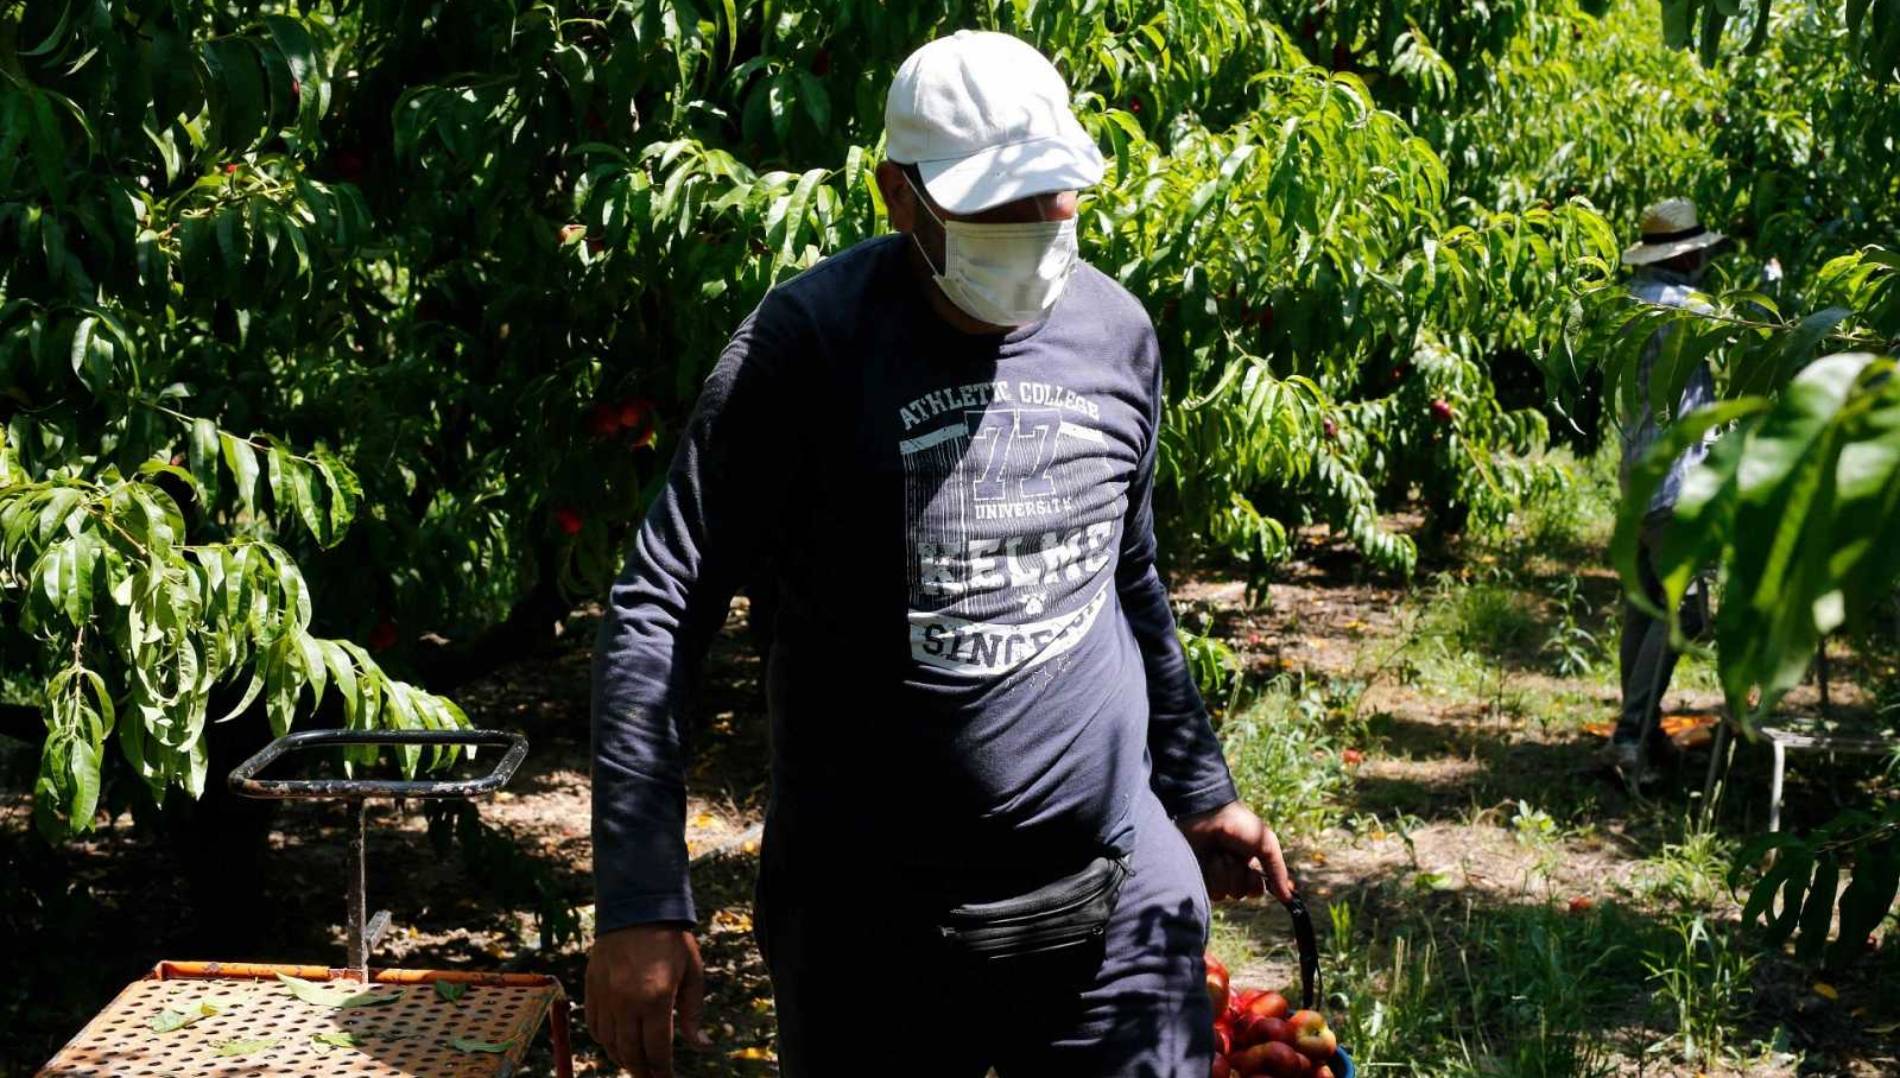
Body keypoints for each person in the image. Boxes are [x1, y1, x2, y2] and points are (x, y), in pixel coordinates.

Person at [585, 29, 1295, 1078]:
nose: (1034, 227)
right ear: (898, 196)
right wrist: (641, 894)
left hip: (1108, 894)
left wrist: (1197, 787)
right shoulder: (808, 347)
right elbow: (663, 600)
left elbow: (1126, 574)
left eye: (1052, 192)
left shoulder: (1116, 332)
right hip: (872, 928)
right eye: (993, 203)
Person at [1608, 197, 1728, 786]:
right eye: (1699, 252)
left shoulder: (1627, 304)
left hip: (1638, 480)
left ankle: (1641, 731)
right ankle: (1632, 736)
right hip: (1680, 484)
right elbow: (1757, 336)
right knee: (1683, 611)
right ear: (1684, 257)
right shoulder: (1688, 308)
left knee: (1645, 608)